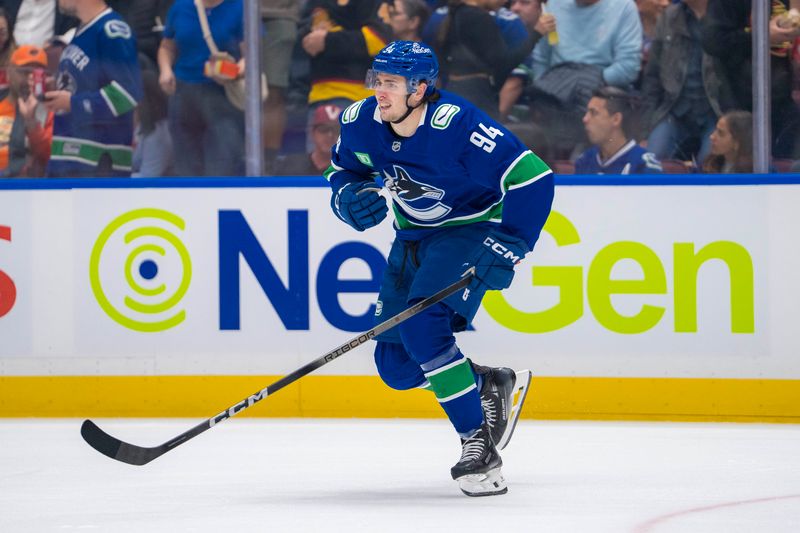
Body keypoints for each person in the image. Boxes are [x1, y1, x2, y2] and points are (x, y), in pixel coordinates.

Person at [324, 41, 553, 496]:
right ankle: (487, 383)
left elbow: (532, 177)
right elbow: (342, 171)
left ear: (420, 89)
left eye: (391, 83)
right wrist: (345, 198)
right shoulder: (359, 122)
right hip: (412, 237)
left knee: (425, 324)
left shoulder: (459, 126)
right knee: (396, 367)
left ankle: (478, 447)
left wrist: (511, 243)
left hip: (470, 229)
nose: (379, 92)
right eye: (377, 80)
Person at [44, 0, 142, 177]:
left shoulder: (112, 31)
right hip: (67, 154)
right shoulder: (80, 31)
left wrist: (73, 103)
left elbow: (127, 93)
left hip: (99, 159)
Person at [702, 0, 800, 158]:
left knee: (785, 165)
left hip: (782, 99)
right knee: (736, 166)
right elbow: (713, 41)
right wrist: (760, 36)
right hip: (737, 101)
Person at [158, 0, 245, 177]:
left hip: (221, 95)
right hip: (183, 92)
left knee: (222, 165)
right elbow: (167, 46)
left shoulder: (240, 8)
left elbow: (252, 54)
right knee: (185, 165)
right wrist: (165, 70)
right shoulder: (180, 7)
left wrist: (234, 71)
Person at [641, 0, 720, 164]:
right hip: (673, 111)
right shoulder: (668, 17)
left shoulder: (723, 15)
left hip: (715, 113)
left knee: (709, 166)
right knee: (650, 162)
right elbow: (652, 76)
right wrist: (645, 131)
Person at [575, 86, 663, 174]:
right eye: (587, 112)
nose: (585, 119)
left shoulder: (643, 166)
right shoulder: (584, 161)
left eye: (593, 113)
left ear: (616, 119)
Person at [1, 44, 54, 177]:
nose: (30, 79)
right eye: (24, 72)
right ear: (8, 72)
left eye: (38, 74)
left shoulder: (51, 110)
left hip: (27, 188)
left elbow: (48, 157)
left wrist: (31, 123)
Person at [260, 0, 299, 173]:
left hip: (278, 13)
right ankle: (235, 155)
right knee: (230, 87)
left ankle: (268, 161)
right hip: (228, 11)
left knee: (272, 93)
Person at [275, 103, 341, 175]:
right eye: (324, 129)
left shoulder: (350, 171)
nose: (330, 135)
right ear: (312, 133)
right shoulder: (290, 166)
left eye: (336, 130)